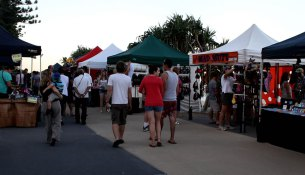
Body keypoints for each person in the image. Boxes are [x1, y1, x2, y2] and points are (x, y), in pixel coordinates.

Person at [105, 61, 132, 148]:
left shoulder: (112, 77)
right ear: (124, 68)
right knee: (123, 121)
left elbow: (109, 90)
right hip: (124, 102)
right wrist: (130, 103)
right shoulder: (128, 78)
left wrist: (107, 101)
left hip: (115, 102)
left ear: (116, 68)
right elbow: (129, 93)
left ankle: (117, 138)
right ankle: (121, 137)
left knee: (115, 121)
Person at [139, 65, 163, 147]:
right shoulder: (159, 80)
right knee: (158, 121)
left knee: (151, 122)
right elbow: (162, 91)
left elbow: (140, 90)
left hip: (149, 102)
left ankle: (153, 141)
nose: (159, 73)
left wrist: (146, 93)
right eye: (158, 71)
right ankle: (159, 139)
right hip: (159, 101)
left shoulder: (145, 79)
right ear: (154, 71)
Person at [40, 70, 63, 146]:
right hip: (55, 103)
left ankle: (49, 139)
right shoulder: (53, 83)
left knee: (48, 122)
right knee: (57, 121)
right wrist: (60, 96)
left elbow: (42, 94)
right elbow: (56, 91)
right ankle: (54, 137)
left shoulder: (41, 85)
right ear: (50, 75)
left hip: (45, 103)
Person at [161, 59, 179, 144]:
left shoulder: (164, 74)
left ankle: (158, 136)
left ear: (165, 65)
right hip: (173, 99)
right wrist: (174, 96)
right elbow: (177, 89)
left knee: (160, 118)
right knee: (172, 118)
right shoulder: (176, 75)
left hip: (165, 99)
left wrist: (161, 97)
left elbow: (163, 88)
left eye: (163, 64)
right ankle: (172, 138)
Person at [219, 66, 236, 131]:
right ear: (225, 70)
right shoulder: (224, 76)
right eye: (227, 69)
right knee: (223, 111)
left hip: (230, 94)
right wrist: (233, 68)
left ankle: (228, 125)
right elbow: (227, 73)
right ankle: (220, 125)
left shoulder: (231, 77)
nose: (229, 70)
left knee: (228, 111)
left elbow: (235, 79)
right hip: (225, 94)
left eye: (229, 69)